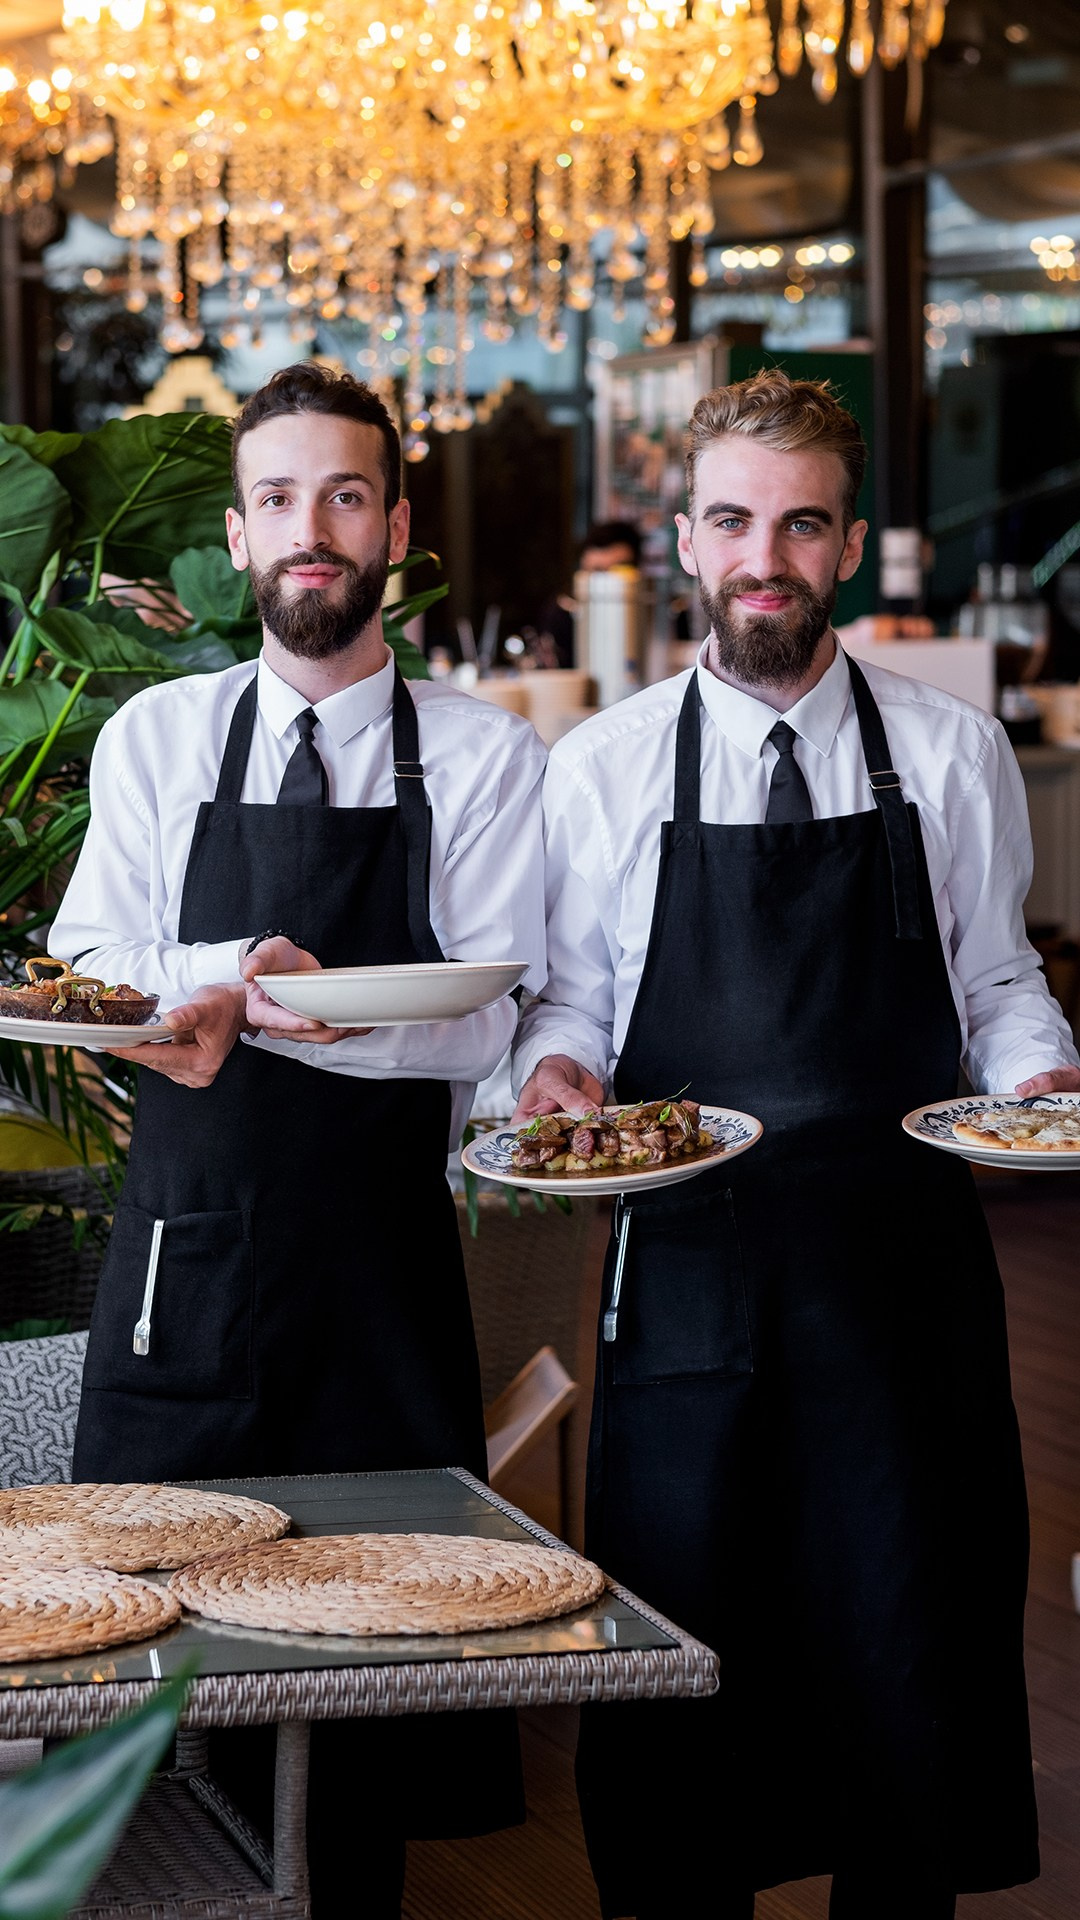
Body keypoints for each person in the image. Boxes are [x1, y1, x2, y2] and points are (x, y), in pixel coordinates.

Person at [510, 368, 1080, 1920]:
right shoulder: (603, 769)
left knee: (909, 1651)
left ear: (846, 545)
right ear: (688, 540)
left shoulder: (951, 755)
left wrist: (1041, 1089)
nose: (767, 556)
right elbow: (569, 1002)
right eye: (735, 521)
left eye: (802, 524)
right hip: (689, 1280)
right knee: (696, 1658)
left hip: (905, 1279)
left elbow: (1001, 983)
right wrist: (556, 1071)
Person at [50, 362, 548, 1914]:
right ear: (241, 530)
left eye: (346, 495)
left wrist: (317, 1013)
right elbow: (86, 967)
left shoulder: (483, 757)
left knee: (378, 1700)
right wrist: (220, 983)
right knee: (138, 1681)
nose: (312, 530)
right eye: (281, 499)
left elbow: (487, 1025)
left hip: (379, 1288)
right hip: (178, 1280)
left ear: (395, 522)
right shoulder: (155, 738)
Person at [532, 518, 643, 668]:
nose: (605, 585)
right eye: (597, 572)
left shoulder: (657, 613)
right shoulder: (563, 610)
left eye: (616, 572)